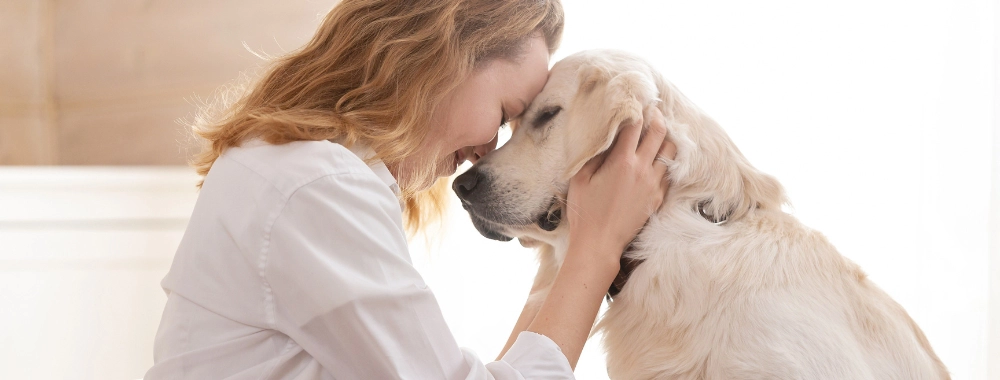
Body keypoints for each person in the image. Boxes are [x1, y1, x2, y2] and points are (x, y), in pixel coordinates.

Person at [146, 0, 674, 378]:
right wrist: (596, 250)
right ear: (442, 58)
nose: (487, 150)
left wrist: (565, 257)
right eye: (504, 115)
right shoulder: (315, 187)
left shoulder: (295, 167)